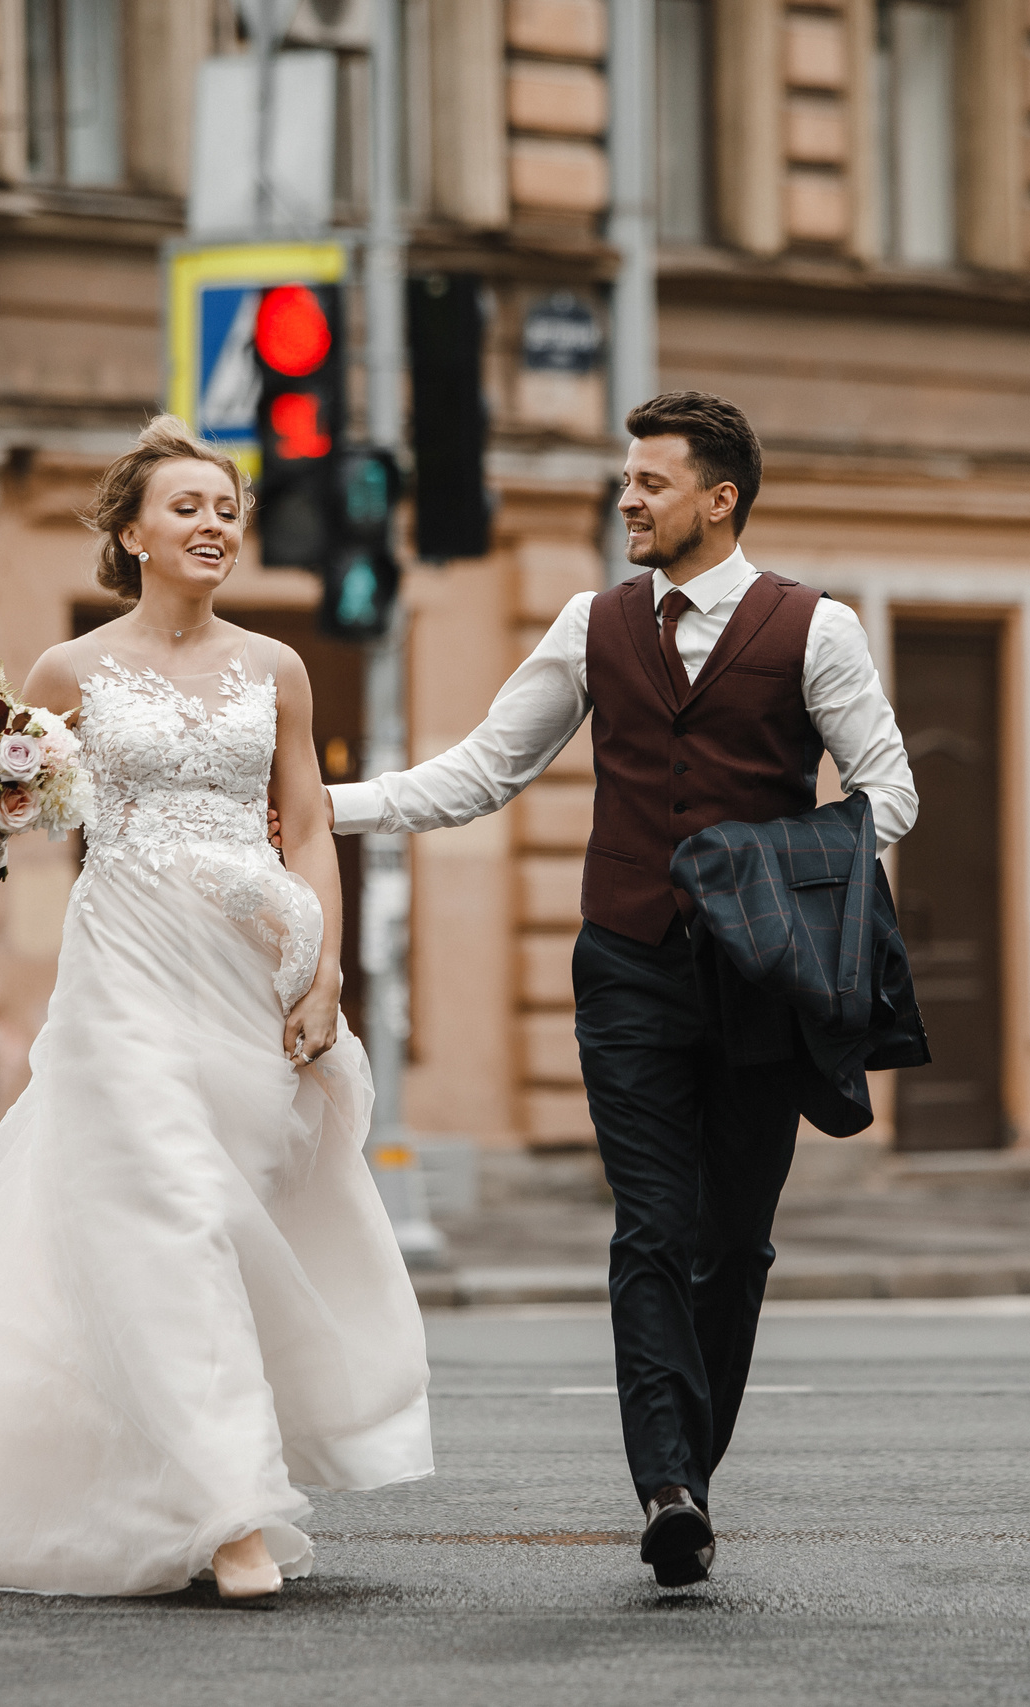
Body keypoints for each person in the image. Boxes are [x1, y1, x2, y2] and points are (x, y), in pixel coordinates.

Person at [0, 415, 433, 1603]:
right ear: (131, 533)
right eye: (190, 507)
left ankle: (159, 1482)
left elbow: (305, 827)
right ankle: (233, 1515)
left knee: (215, 1229)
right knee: (173, 1211)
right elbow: (23, 818)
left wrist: (325, 976)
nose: (216, 525)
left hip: (251, 987)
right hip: (128, 973)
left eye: (227, 509)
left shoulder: (279, 668)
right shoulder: (70, 673)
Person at [326, 391, 917, 1588]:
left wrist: (773, 871)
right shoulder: (591, 625)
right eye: (625, 480)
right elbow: (484, 770)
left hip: (764, 982)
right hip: (629, 965)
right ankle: (667, 1485)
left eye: (649, 483)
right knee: (651, 1225)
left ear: (719, 499)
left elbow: (887, 793)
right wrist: (325, 807)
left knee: (734, 1244)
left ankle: (690, 1463)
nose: (626, 500)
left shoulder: (816, 629)